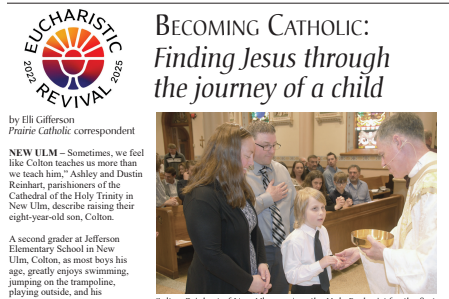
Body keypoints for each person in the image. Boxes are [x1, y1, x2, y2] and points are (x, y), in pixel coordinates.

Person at [335, 113, 437, 294]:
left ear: (398, 142)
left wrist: (385, 255)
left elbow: (434, 265)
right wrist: (363, 252)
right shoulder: (420, 177)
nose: (382, 163)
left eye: (382, 154)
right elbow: (405, 233)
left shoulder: (434, 184)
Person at [183, 123, 271, 294]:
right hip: (217, 285)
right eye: (248, 155)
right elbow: (210, 255)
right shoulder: (201, 196)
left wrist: (261, 261)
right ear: (227, 155)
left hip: (246, 278)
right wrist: (248, 282)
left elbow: (252, 228)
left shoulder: (236, 187)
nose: (251, 162)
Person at [245, 121, 296, 294]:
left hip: (284, 247)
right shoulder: (242, 174)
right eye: (266, 146)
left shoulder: (281, 170)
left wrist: (294, 240)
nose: (272, 151)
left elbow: (292, 208)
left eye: (274, 145)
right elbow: (240, 213)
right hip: (258, 250)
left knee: (281, 292)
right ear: (251, 144)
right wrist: (268, 198)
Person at [281, 187, 343, 294]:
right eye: (315, 208)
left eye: (323, 207)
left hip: (324, 286)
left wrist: (333, 261)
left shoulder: (322, 230)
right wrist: (320, 265)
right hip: (305, 290)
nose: (321, 213)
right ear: (301, 212)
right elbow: (291, 276)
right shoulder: (294, 240)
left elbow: (326, 253)